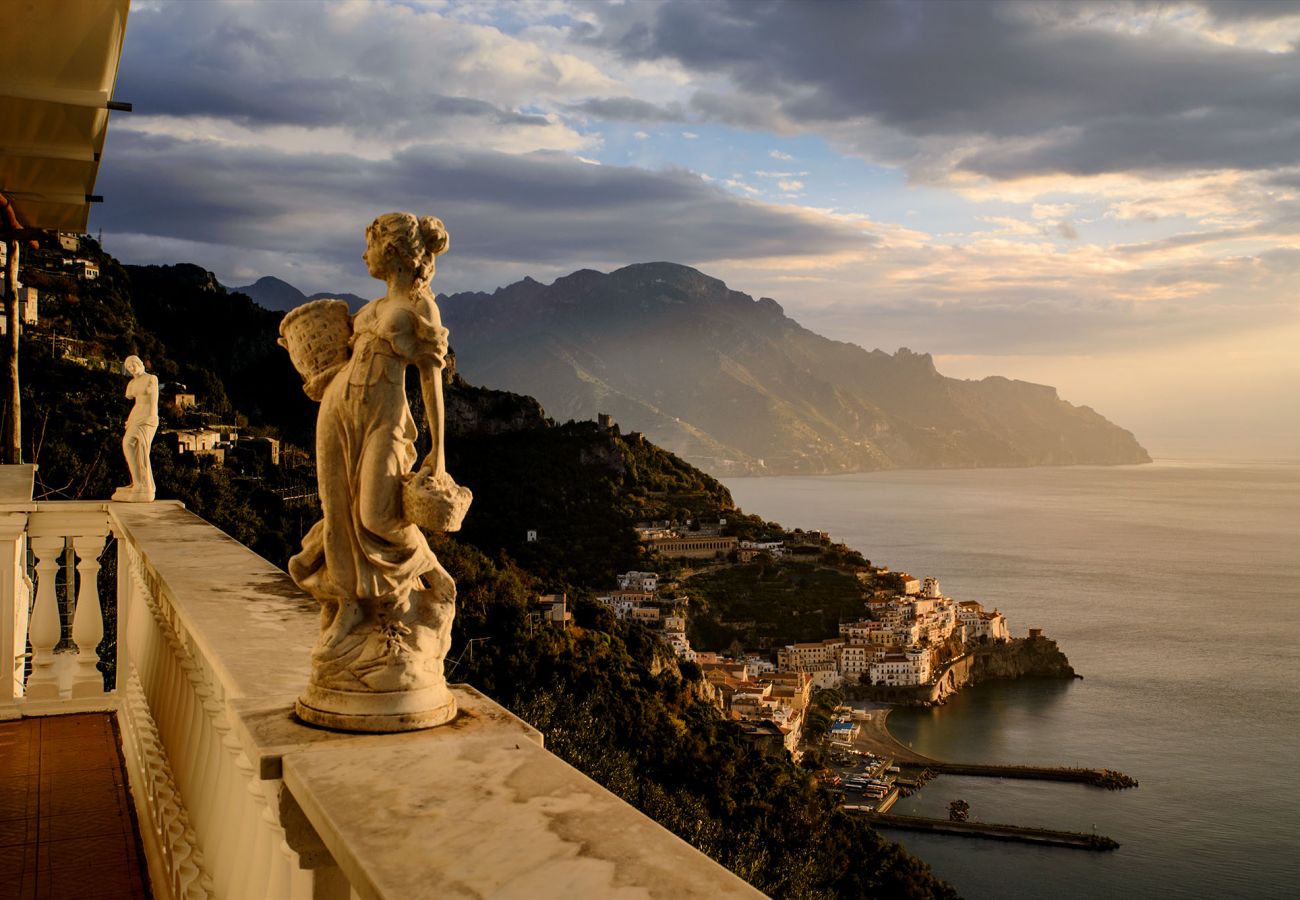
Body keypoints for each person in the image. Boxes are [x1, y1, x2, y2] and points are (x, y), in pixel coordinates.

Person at [289, 212, 462, 729]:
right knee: (339, 517)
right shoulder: (374, 308)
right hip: (337, 417)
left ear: (396, 251)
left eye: (371, 244)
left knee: (379, 517)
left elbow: (432, 384)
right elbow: (336, 366)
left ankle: (430, 572)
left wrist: (439, 454)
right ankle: (350, 612)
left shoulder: (418, 307)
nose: (364, 254)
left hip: (384, 423)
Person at [112, 355, 158, 502]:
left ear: (139, 363)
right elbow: (134, 402)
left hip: (147, 417)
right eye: (128, 367)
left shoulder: (151, 379)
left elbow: (153, 401)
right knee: (129, 444)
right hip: (135, 415)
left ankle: (144, 485)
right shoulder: (131, 384)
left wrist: (151, 417)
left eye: (133, 365)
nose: (132, 369)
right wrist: (131, 419)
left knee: (141, 449)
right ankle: (137, 482)